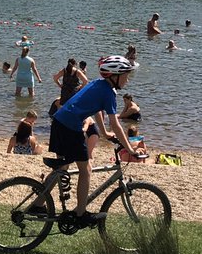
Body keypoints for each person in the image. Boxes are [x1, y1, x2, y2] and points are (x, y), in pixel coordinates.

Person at [49, 56, 142, 228]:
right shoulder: (108, 92)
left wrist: (105, 133)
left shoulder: (98, 84)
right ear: (115, 76)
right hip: (70, 127)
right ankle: (80, 214)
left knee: (62, 168)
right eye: (126, 75)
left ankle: (39, 204)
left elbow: (98, 111)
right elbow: (115, 124)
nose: (127, 80)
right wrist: (130, 149)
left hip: (60, 122)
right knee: (86, 170)